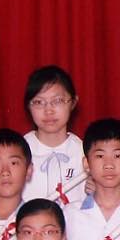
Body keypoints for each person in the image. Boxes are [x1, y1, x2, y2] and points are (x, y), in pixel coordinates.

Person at [20, 65, 86, 205]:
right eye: (38, 102)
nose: (48, 110)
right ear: (28, 106)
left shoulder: (85, 153)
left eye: (57, 101)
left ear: (73, 103)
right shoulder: (17, 153)